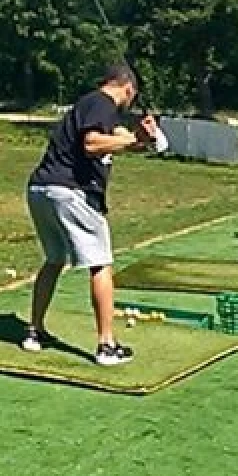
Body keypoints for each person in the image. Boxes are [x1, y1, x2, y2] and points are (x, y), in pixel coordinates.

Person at [24, 63, 162, 366]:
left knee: (54, 259)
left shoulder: (93, 108)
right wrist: (133, 139)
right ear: (128, 89)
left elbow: (119, 139)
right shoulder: (102, 102)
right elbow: (91, 144)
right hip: (70, 192)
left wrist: (146, 140)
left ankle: (34, 333)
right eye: (132, 97)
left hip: (41, 191)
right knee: (101, 263)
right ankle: (106, 345)